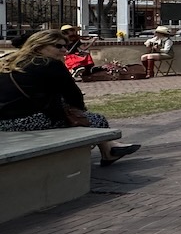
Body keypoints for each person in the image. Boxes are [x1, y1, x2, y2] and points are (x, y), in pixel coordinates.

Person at [0, 29, 141, 166]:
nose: (65, 51)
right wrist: (79, 113)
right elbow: (74, 96)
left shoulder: (9, 61)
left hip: (3, 121)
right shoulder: (50, 64)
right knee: (96, 119)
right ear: (39, 45)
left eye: (65, 46)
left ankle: (109, 148)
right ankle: (108, 151)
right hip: (22, 122)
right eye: (58, 46)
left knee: (74, 113)